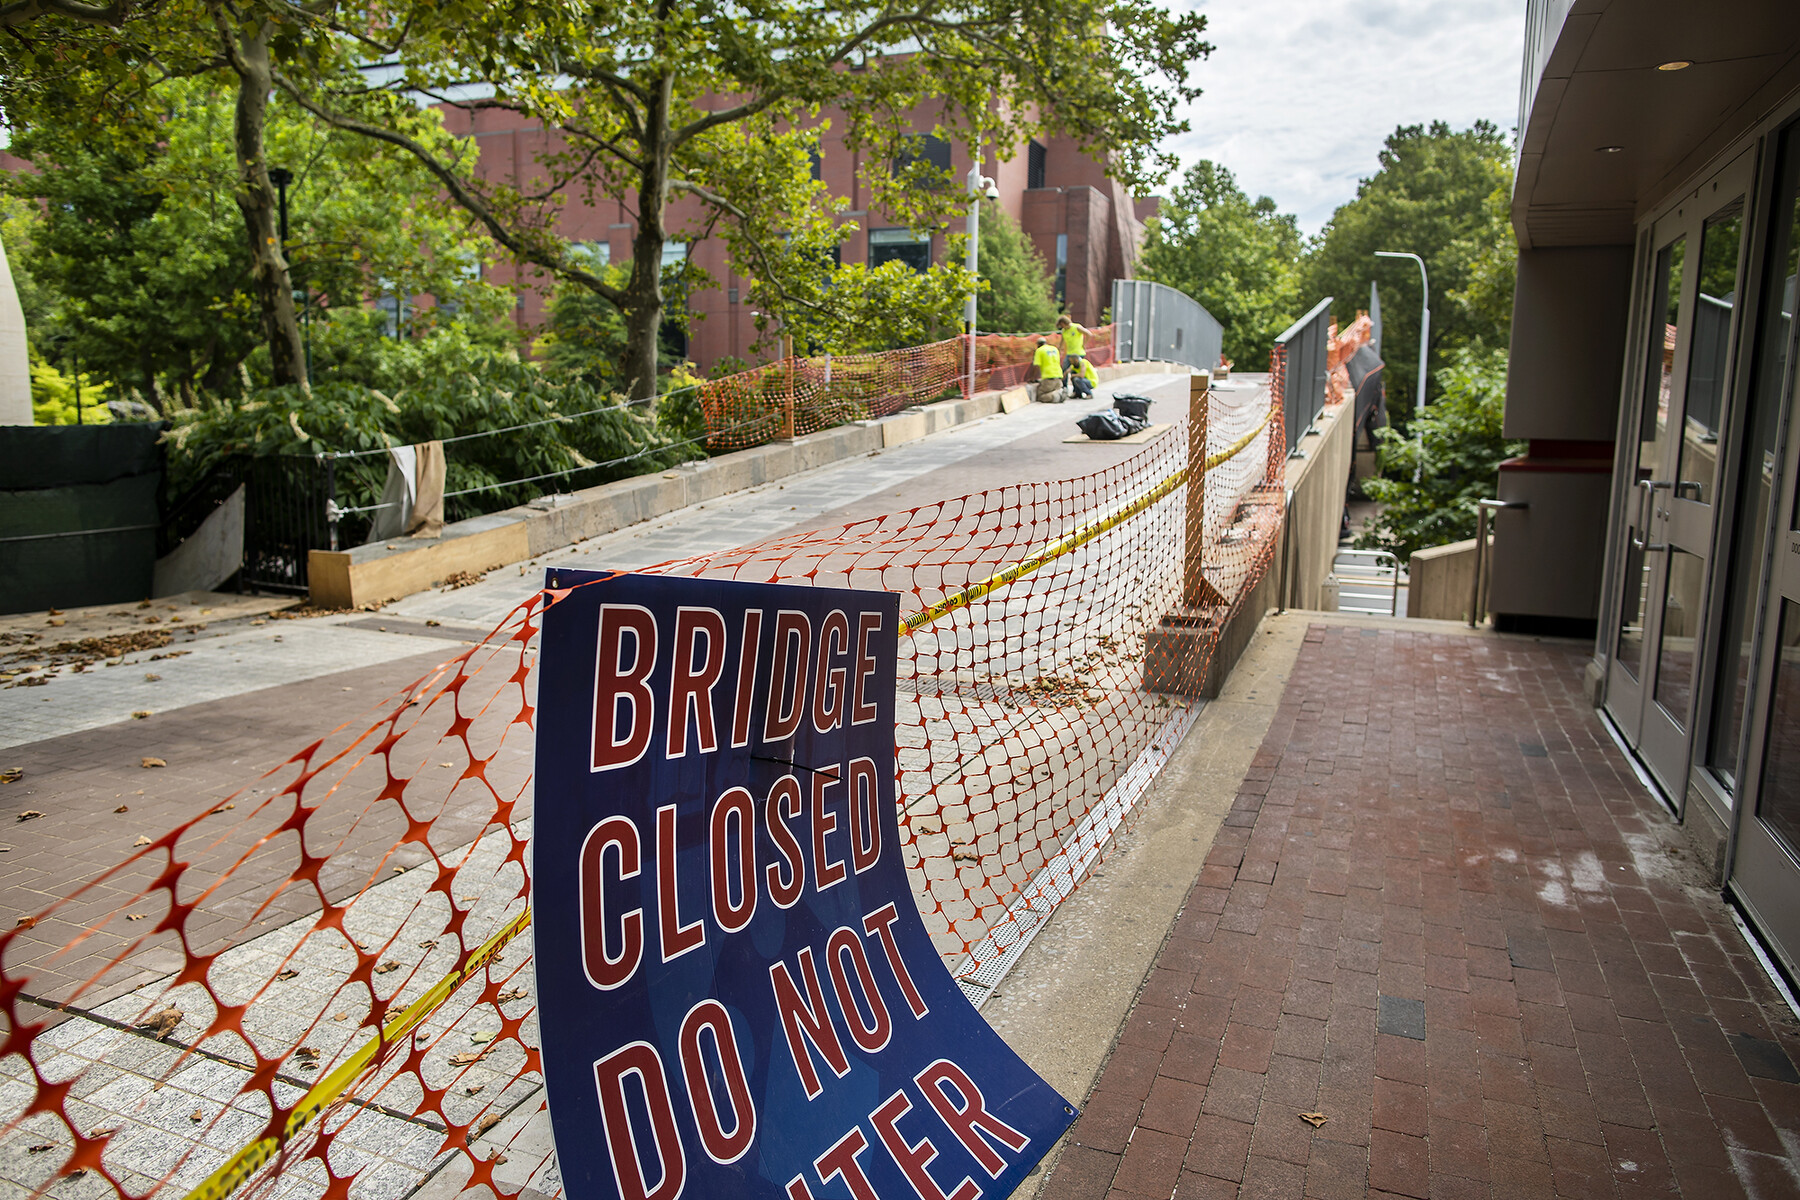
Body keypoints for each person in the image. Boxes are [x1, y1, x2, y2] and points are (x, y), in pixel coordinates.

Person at [1029, 336, 1066, 403]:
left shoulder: (1040, 350)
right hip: (1059, 376)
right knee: (1053, 389)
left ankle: (1055, 395)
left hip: (1048, 377)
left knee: (1041, 396)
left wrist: (1033, 377)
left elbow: (1036, 365)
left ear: (1038, 344)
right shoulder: (1054, 349)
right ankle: (1059, 392)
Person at [1057, 314, 1090, 383]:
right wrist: (1059, 350)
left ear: (1064, 323)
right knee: (1065, 368)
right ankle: (1064, 386)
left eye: (1061, 325)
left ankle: (1076, 389)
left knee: (1075, 370)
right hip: (1069, 353)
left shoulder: (1076, 327)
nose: (1061, 327)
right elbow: (1062, 341)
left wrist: (1084, 344)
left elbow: (1088, 334)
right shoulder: (1064, 331)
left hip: (1078, 353)